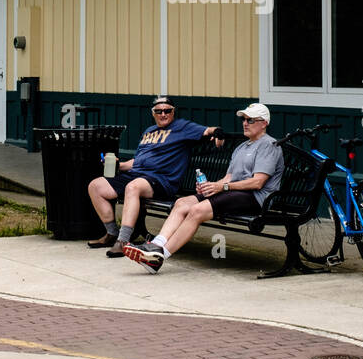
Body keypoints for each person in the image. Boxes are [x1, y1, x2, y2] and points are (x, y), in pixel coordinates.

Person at [124, 102, 283, 273]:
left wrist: (223, 187)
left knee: (197, 211)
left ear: (264, 123)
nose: (245, 123)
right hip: (234, 192)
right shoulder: (242, 147)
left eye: (250, 120)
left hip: (255, 198)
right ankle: (156, 244)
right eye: (244, 119)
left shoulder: (269, 145)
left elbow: (257, 182)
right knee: (182, 203)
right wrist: (210, 187)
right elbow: (229, 177)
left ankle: (160, 256)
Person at [86, 96, 220, 256]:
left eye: (167, 111)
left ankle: (123, 241)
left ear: (173, 112)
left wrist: (218, 133)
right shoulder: (149, 131)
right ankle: (112, 233)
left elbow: (209, 130)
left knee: (133, 187)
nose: (163, 114)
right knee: (95, 186)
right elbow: (137, 161)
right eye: (159, 111)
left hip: (161, 180)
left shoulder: (183, 127)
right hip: (137, 176)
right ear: (153, 113)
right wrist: (119, 165)